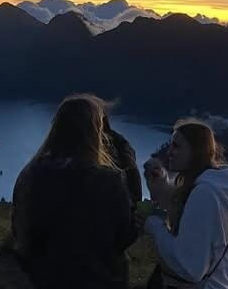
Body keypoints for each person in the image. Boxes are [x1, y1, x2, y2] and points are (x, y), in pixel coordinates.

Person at [12, 94, 137, 289]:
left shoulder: (31, 175)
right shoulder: (109, 181)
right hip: (99, 281)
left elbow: (21, 232)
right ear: (94, 132)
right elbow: (122, 237)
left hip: (46, 279)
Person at [143, 120, 228, 289]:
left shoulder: (205, 194)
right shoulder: (211, 188)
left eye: (177, 146)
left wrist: (155, 225)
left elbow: (190, 268)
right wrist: (159, 189)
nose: (169, 152)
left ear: (195, 152)